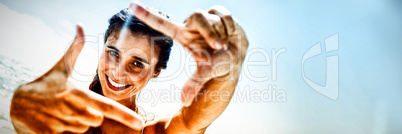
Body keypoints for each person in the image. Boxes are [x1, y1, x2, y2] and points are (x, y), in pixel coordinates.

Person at [10, 1, 248, 134]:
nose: (116, 72)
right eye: (113, 53)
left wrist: (228, 72)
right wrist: (18, 115)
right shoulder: (62, 115)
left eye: (137, 63)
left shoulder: (150, 133)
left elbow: (191, 122)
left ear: (156, 71)